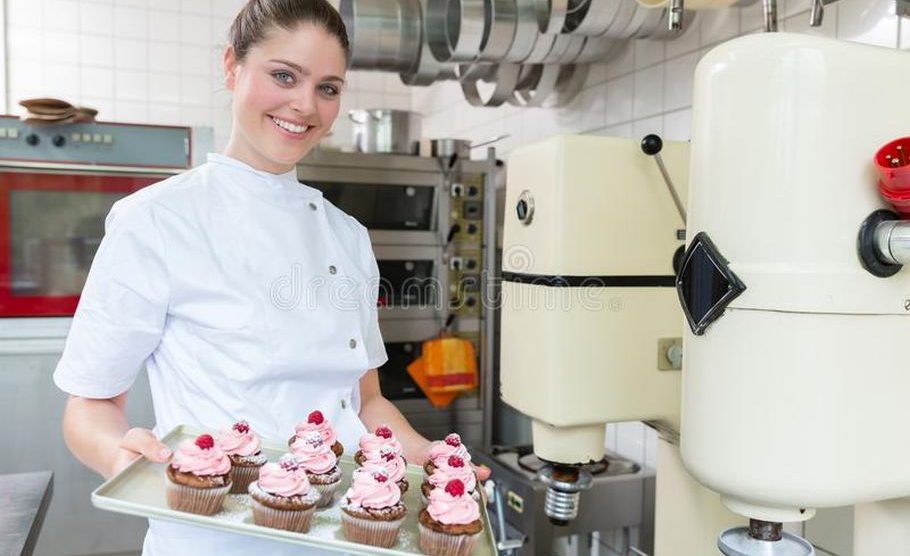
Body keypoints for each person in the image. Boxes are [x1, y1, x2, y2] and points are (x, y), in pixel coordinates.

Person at [53, 1, 486, 554]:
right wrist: (121, 457)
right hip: (215, 540)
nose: (305, 105)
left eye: (328, 88)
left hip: (344, 531)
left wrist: (421, 453)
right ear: (231, 67)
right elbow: (89, 406)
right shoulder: (156, 220)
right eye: (284, 76)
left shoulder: (348, 236)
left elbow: (366, 401)